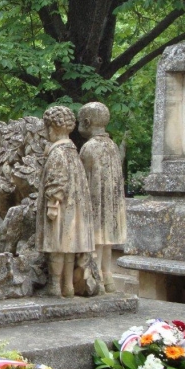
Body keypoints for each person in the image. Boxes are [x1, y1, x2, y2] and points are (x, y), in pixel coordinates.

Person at [37, 106, 95, 297]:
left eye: (47, 128)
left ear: (52, 128)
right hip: (74, 209)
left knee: (58, 248)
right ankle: (68, 286)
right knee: (69, 249)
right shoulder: (73, 152)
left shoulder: (58, 153)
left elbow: (56, 181)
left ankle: (55, 285)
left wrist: (52, 205)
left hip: (61, 209)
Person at [78, 102, 127, 293]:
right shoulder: (112, 146)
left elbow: (82, 179)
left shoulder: (89, 148)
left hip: (95, 203)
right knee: (106, 245)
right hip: (111, 205)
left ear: (87, 122)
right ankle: (108, 278)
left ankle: (96, 277)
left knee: (97, 243)